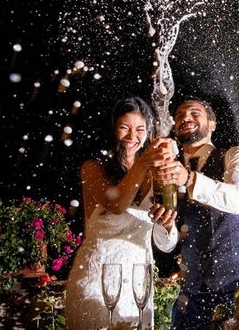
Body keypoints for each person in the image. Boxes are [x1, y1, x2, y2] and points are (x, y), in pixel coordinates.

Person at [65, 96, 179, 330]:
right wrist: (145, 161)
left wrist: (167, 225)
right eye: (124, 128)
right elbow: (115, 203)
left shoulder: (154, 173)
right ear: (113, 129)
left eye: (140, 129)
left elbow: (166, 243)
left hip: (138, 280)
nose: (132, 136)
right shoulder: (92, 167)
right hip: (97, 278)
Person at [150, 98, 239, 330]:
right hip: (191, 293)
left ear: (213, 124)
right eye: (179, 115)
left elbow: (238, 200)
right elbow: (167, 245)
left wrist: (189, 178)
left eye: (194, 113)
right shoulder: (168, 174)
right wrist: (165, 227)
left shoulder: (234, 156)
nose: (185, 118)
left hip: (236, 287)